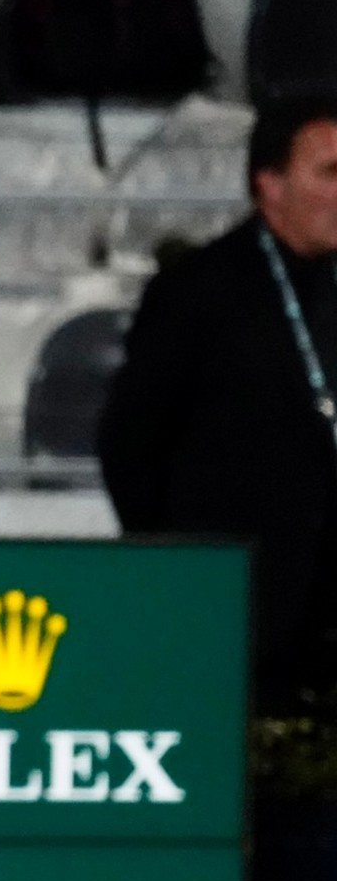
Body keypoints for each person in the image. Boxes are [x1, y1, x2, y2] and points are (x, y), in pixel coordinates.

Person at [98, 97, 337, 714]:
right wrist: (184, 570)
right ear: (271, 185)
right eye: (330, 174)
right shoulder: (198, 292)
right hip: (236, 603)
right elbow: (131, 445)